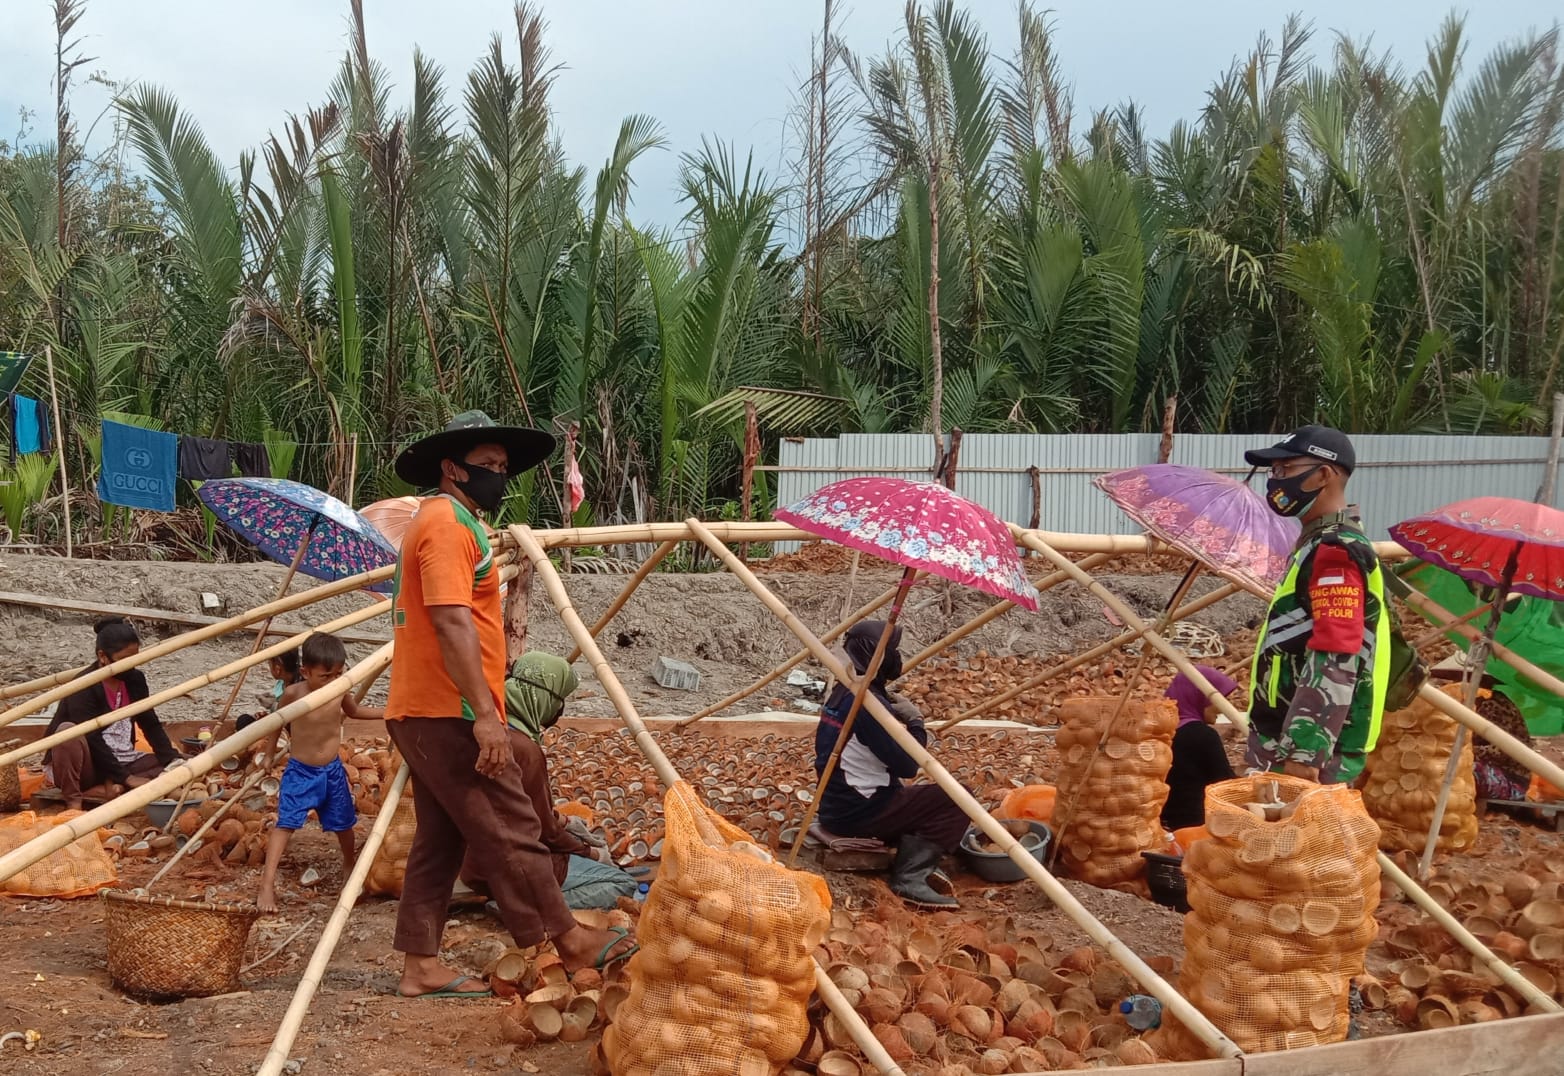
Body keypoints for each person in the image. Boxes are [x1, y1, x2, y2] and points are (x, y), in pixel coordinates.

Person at [385, 410, 635, 1000]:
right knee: (513, 828)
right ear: (452, 469)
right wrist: (488, 718)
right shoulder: (447, 525)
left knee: (441, 840)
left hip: (425, 709)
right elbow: (451, 622)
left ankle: (419, 965)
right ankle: (568, 939)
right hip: (447, 710)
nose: (499, 476)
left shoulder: (449, 520)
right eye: (487, 466)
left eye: (502, 467)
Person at [1243, 426, 1392, 785]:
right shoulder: (1319, 545)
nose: (1275, 481)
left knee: (1295, 841)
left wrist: (1304, 754)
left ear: (1324, 474)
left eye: (1285, 470)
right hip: (1288, 739)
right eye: (1273, 472)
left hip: (1304, 752)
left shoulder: (1336, 552)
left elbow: (1335, 658)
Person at [814, 620, 968, 909]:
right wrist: (916, 722)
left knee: (923, 798)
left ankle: (919, 853)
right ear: (877, 657)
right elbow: (909, 765)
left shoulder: (843, 692)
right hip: (860, 811)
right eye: (893, 651)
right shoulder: (869, 707)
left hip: (834, 806)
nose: (898, 659)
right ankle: (910, 878)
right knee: (960, 798)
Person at [256, 633, 381, 914]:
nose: (332, 680)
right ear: (305, 672)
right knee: (286, 822)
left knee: (344, 823)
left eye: (338, 674)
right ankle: (267, 883)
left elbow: (355, 710)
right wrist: (269, 752)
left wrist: (389, 712)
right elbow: (276, 722)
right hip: (301, 771)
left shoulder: (339, 688)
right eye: (325, 675)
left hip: (333, 770)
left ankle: (349, 866)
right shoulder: (293, 694)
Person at [460, 652, 597, 896]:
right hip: (508, 867)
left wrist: (565, 821)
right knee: (619, 882)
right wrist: (590, 853)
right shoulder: (524, 749)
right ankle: (523, 907)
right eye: (559, 699)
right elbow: (543, 830)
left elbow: (510, 804)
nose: (559, 708)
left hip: (468, 860)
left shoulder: (483, 729)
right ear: (545, 698)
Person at [44, 618, 180, 810]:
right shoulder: (83, 685)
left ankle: (108, 786)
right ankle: (75, 799)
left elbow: (149, 723)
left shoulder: (135, 680)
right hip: (87, 764)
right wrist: (127, 778)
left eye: (134, 660)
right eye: (124, 660)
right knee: (67, 732)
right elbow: (92, 738)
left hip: (122, 760)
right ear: (103, 656)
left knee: (180, 765)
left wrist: (172, 761)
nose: (130, 667)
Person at [1160, 665, 1240, 830]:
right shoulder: (1203, 736)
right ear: (1198, 696)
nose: (1221, 707)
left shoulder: (1158, 731)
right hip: (1197, 827)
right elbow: (1224, 784)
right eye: (1217, 701)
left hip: (1159, 824)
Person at [1472, 682, 1533, 803]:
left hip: (1512, 779)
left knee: (1466, 768)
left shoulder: (1493, 705)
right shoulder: (1471, 704)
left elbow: (1502, 751)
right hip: (1494, 771)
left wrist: (1470, 750)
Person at [236, 648, 301, 733]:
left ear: (278, 669)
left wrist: (273, 705)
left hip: (292, 729)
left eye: (270, 665)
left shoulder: (295, 688)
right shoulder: (283, 682)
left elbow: (290, 716)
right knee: (245, 720)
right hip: (282, 723)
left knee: (244, 723)